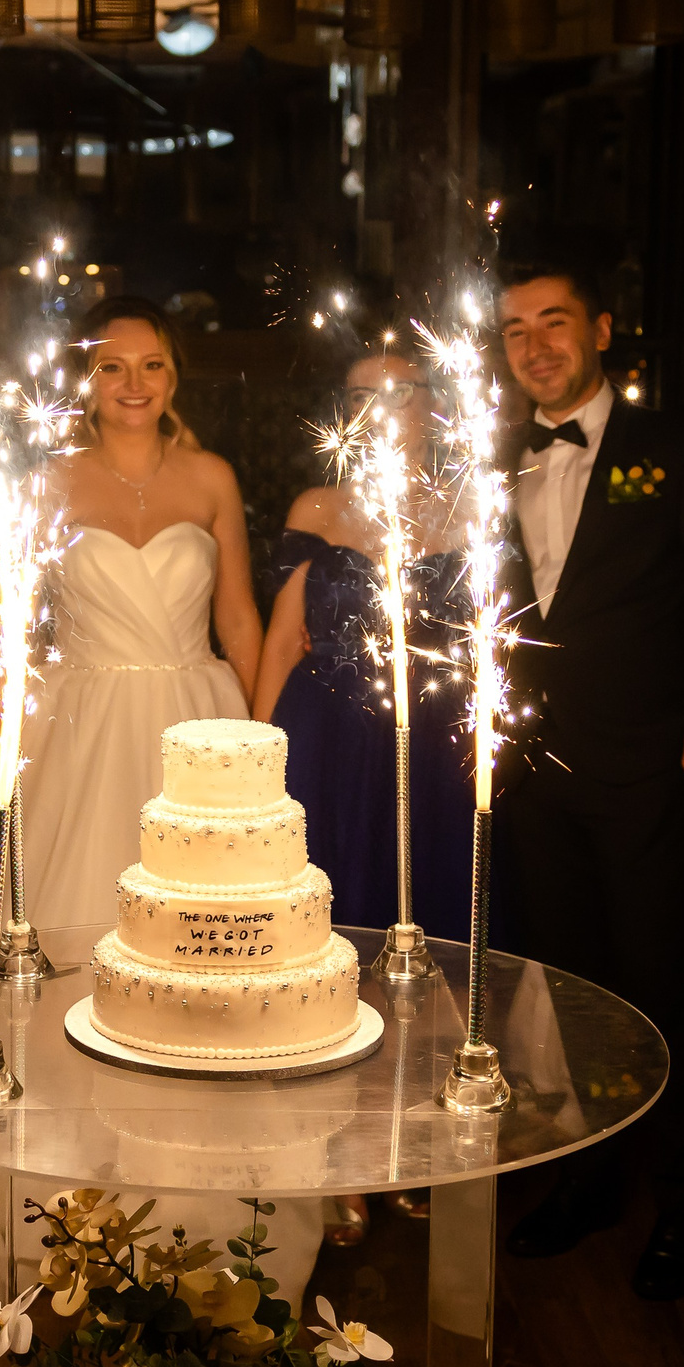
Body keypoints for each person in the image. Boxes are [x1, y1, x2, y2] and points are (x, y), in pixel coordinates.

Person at [0, 294, 326, 1306]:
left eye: (151, 366)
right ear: (82, 381)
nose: (132, 384)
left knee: (197, 960)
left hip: (194, 723)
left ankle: (204, 1201)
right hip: (80, 722)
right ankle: (54, 1202)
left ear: (175, 377)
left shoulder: (211, 477)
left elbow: (237, 618)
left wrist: (264, 747)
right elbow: (7, 627)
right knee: (54, 946)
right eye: (110, 367)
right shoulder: (48, 480)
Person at [491, 244, 684, 1301]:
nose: (535, 345)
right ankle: (583, 1182)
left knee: (664, 987)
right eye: (516, 329)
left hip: (646, 771)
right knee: (565, 995)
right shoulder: (493, 461)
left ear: (601, 329)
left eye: (554, 321)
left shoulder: (673, 447)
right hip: (534, 776)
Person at [253, 348, 470, 938]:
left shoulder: (474, 507)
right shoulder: (316, 508)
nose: (381, 411)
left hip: (438, 730)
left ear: (438, 403)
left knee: (436, 890)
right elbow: (280, 642)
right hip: (330, 731)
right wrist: (260, 758)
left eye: (400, 392)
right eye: (361, 398)